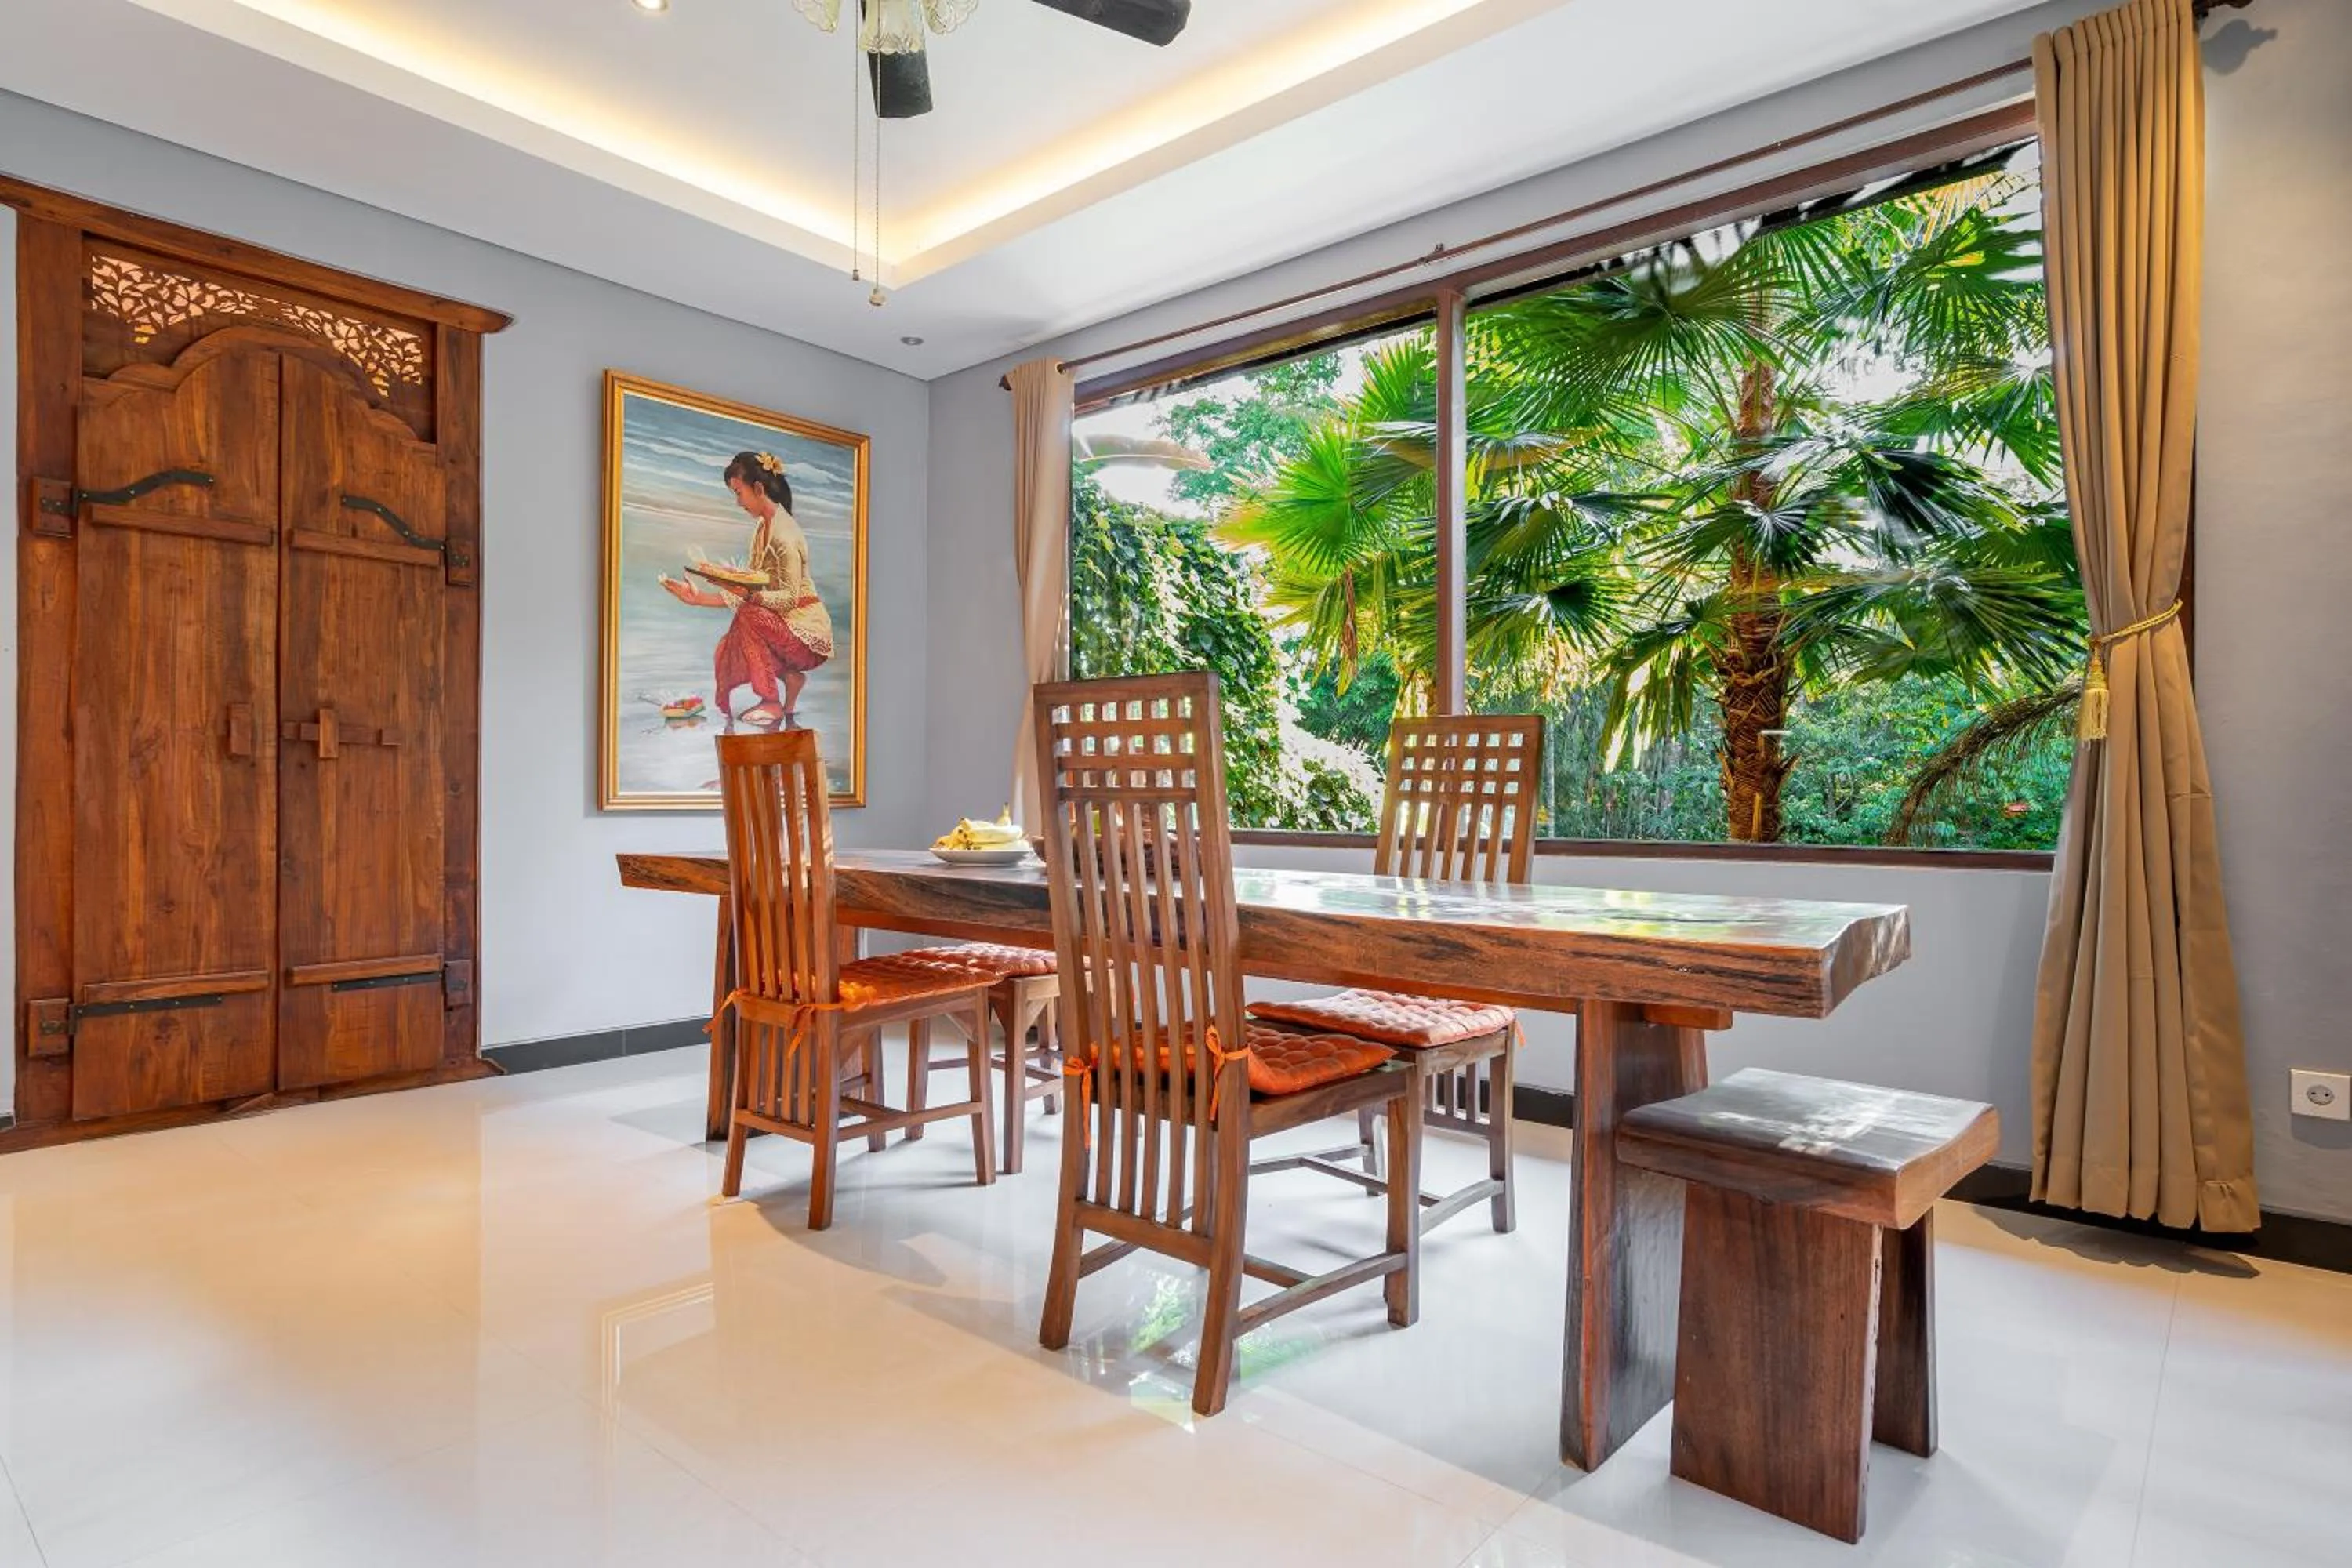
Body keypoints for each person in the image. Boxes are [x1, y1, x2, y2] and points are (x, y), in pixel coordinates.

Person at [658, 451, 834, 730]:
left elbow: (786, 598)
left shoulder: (785, 535)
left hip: (806, 633)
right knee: (741, 625)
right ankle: (790, 678)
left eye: (739, 493)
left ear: (759, 489)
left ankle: (771, 701)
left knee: (749, 615)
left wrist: (747, 594)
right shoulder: (762, 528)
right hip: (781, 625)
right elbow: (751, 586)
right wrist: (698, 599)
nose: (738, 502)